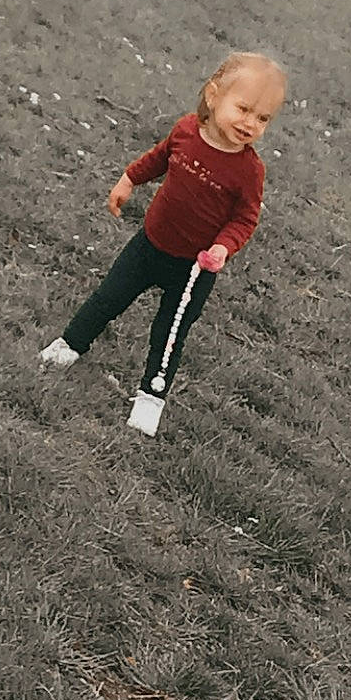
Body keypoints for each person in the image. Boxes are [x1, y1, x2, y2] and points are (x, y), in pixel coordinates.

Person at [39, 51, 287, 436]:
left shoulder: (249, 171)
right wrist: (129, 179)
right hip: (149, 246)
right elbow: (158, 159)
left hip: (193, 270)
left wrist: (223, 246)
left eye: (263, 118)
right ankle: (69, 345)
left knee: (169, 334)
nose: (250, 123)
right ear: (213, 94)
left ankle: (150, 397)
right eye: (244, 109)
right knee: (108, 298)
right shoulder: (187, 131)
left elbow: (245, 218)